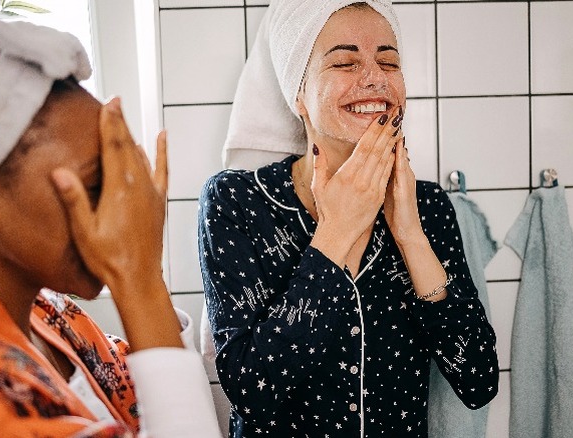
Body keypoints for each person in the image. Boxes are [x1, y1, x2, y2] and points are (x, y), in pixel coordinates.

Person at [0, 20, 221, 437]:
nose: (118, 213)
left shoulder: (46, 313)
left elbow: (161, 394)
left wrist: (144, 280)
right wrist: (139, 278)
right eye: (94, 186)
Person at [198, 1, 499, 436]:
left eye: (389, 62)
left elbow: (478, 382)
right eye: (344, 61)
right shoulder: (238, 202)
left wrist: (410, 233)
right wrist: (337, 233)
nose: (375, 78)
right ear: (298, 94)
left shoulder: (428, 206)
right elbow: (252, 395)